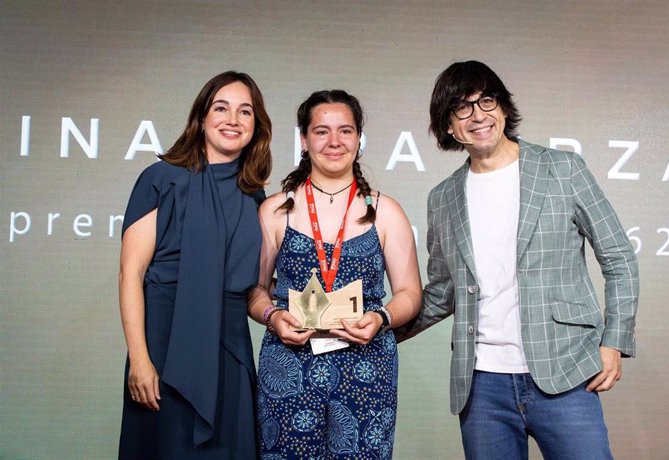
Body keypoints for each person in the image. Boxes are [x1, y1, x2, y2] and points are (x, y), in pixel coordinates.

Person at [396, 61, 639, 459]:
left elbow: (619, 258)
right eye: (462, 108)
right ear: (448, 127)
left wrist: (614, 341)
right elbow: (442, 293)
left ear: (504, 108)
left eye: (487, 101)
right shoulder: (442, 198)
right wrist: (380, 329)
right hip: (481, 387)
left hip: (565, 373)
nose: (479, 116)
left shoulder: (563, 169)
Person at [248, 89, 422, 459]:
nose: (334, 141)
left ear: (359, 139)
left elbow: (409, 292)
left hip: (367, 362)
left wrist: (381, 317)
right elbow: (255, 290)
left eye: (345, 130)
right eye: (321, 130)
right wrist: (274, 316)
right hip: (289, 361)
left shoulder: (385, 210)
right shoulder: (275, 210)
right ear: (304, 139)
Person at [117, 70, 272, 459]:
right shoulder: (161, 178)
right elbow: (130, 274)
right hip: (164, 348)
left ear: (257, 126)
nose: (233, 120)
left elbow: (253, 286)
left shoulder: (254, 195)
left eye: (245, 112)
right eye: (221, 108)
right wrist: (139, 358)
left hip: (230, 354)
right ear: (202, 117)